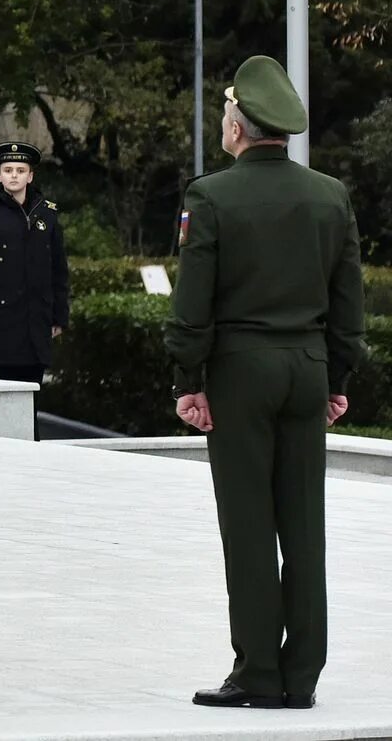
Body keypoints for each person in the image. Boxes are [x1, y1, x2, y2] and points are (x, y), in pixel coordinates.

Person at [165, 56, 368, 711]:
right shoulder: (329, 195)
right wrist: (335, 374)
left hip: (241, 369)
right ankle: (302, 672)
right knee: (304, 525)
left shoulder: (211, 196)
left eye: (226, 114)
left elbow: (193, 302)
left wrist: (188, 379)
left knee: (251, 524)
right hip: (306, 366)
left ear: (238, 127)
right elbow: (348, 303)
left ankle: (258, 671)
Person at [0, 143, 68, 389]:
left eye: (20, 170)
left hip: (36, 323)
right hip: (0, 324)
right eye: (8, 170)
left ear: (30, 176)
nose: (14, 175)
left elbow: (59, 270)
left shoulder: (47, 214)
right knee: (2, 399)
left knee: (32, 399)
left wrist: (59, 316)